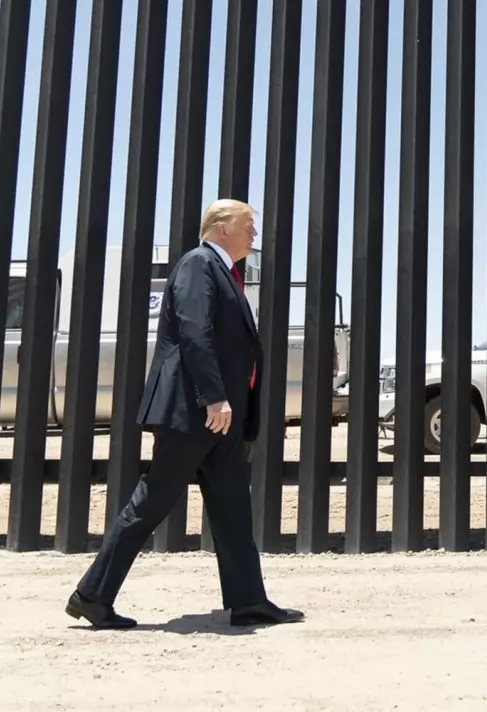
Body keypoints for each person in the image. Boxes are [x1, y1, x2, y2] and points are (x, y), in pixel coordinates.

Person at [65, 199, 303, 629]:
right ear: (220, 226)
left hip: (220, 417)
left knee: (232, 507)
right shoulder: (198, 265)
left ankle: (249, 600)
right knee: (152, 500)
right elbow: (196, 333)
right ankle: (92, 595)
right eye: (248, 226)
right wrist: (213, 396)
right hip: (196, 412)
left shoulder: (225, 272)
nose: (254, 235)